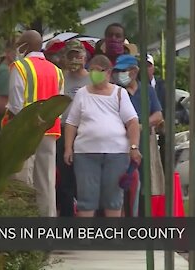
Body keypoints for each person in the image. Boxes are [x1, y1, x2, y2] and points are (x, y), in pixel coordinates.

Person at [64, 55, 141, 218]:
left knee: (113, 198)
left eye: (98, 71)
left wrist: (134, 147)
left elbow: (132, 122)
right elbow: (71, 122)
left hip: (116, 154)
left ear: (108, 73)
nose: (94, 74)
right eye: (91, 70)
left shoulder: (120, 94)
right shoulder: (82, 94)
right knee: (86, 198)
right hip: (85, 153)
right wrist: (67, 148)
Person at [3, 30, 64, 217]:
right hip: (49, 131)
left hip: (24, 131)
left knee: (22, 179)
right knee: (46, 181)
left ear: (25, 46)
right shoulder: (57, 71)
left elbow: (15, 105)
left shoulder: (20, 67)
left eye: (19, 44)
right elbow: (60, 102)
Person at [112, 54, 164, 216]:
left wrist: (140, 126)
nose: (121, 74)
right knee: (119, 185)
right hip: (120, 143)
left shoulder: (147, 90)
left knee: (143, 186)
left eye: (124, 70)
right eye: (118, 71)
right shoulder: (115, 91)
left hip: (144, 144)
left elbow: (158, 115)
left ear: (134, 71)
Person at [56, 39, 90, 217]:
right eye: (71, 56)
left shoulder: (94, 78)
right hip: (62, 132)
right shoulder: (60, 77)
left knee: (85, 178)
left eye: (78, 55)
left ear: (85, 57)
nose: (75, 59)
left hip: (86, 132)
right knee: (65, 179)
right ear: (65, 58)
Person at [147, 54, 168, 167]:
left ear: (153, 68)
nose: (146, 69)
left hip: (162, 130)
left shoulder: (163, 85)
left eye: (148, 66)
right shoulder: (139, 87)